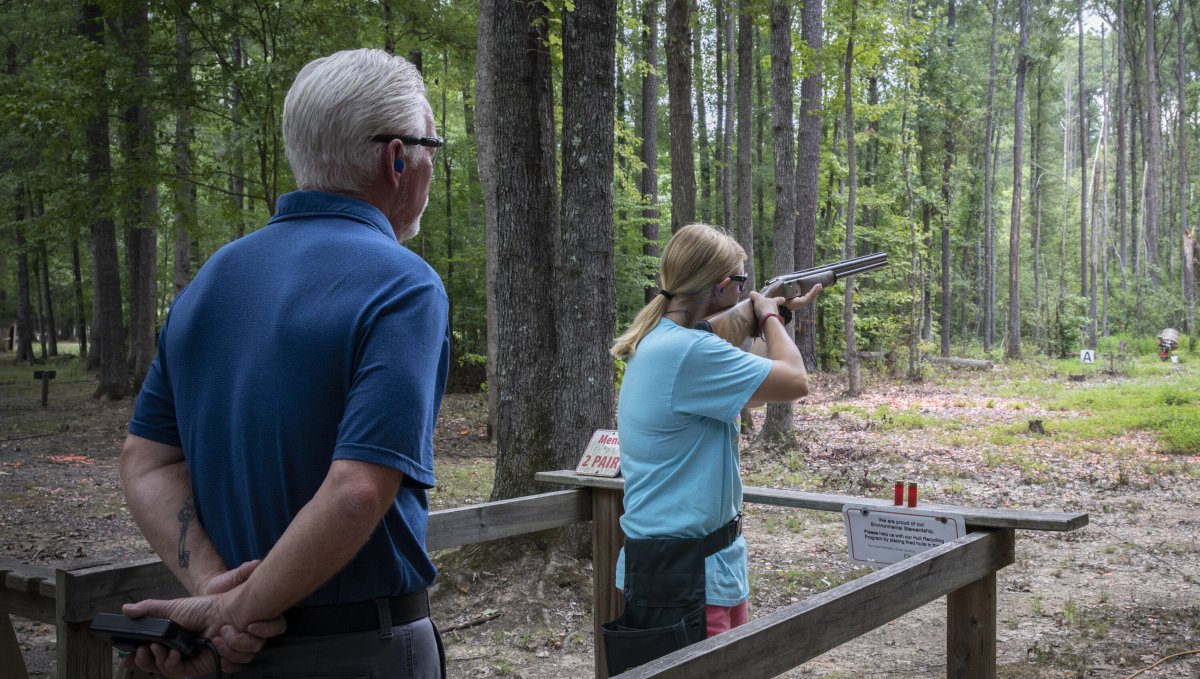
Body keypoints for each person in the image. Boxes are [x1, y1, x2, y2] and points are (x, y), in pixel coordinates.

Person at [118, 48, 450, 678]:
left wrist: (217, 590)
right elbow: (357, 490)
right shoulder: (405, 286)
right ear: (396, 157)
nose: (432, 165)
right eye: (431, 147)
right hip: (361, 652)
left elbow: (148, 459)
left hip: (234, 656)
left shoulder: (210, 282)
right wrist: (236, 608)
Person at [601, 223, 821, 674]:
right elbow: (796, 382)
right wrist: (769, 316)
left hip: (685, 566)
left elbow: (759, 386)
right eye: (741, 282)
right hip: (687, 574)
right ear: (721, 288)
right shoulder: (689, 351)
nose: (746, 288)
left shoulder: (665, 343)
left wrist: (773, 313)